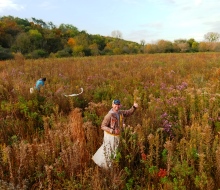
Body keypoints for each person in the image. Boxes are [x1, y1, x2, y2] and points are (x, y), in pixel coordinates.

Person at [92, 99, 138, 169]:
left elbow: (128, 112)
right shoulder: (109, 115)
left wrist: (134, 107)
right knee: (108, 150)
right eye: (115, 105)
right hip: (110, 136)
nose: (117, 106)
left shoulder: (120, 112)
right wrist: (112, 131)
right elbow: (103, 126)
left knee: (114, 151)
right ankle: (104, 166)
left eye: (118, 105)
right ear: (112, 105)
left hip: (117, 136)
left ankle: (110, 165)